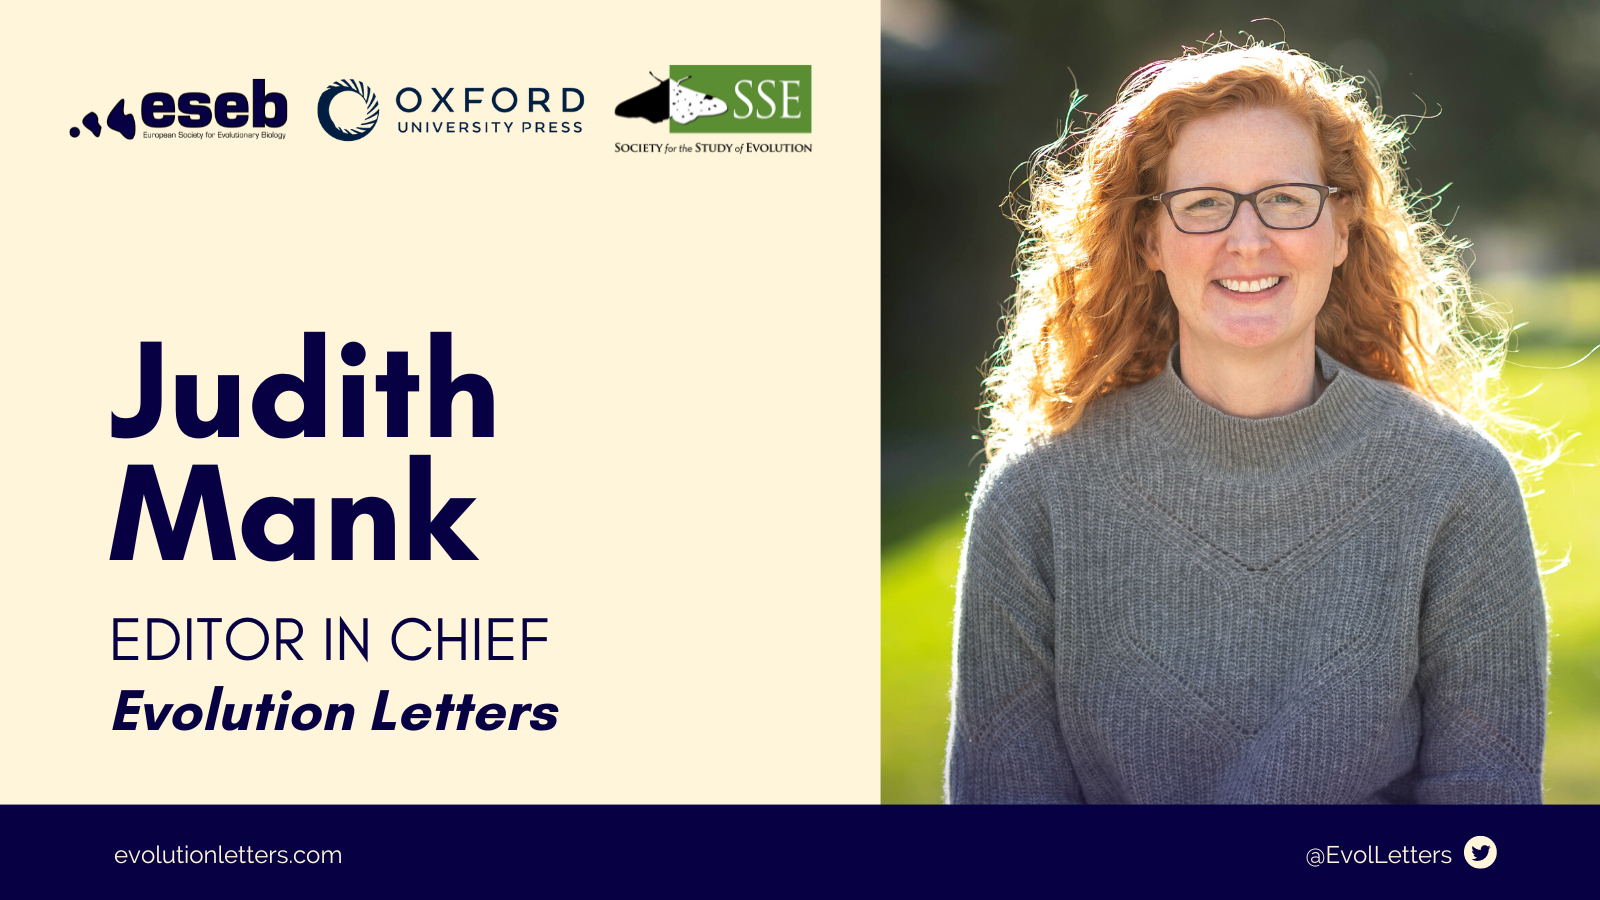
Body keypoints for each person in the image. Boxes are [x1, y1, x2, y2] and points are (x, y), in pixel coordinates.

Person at [945, 44, 1551, 804]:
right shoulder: (1035, 504)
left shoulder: (1456, 486)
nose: (1248, 240)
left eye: (1286, 199)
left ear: (1342, 227)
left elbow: (1483, 839)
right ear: (1148, 240)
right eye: (1203, 203)